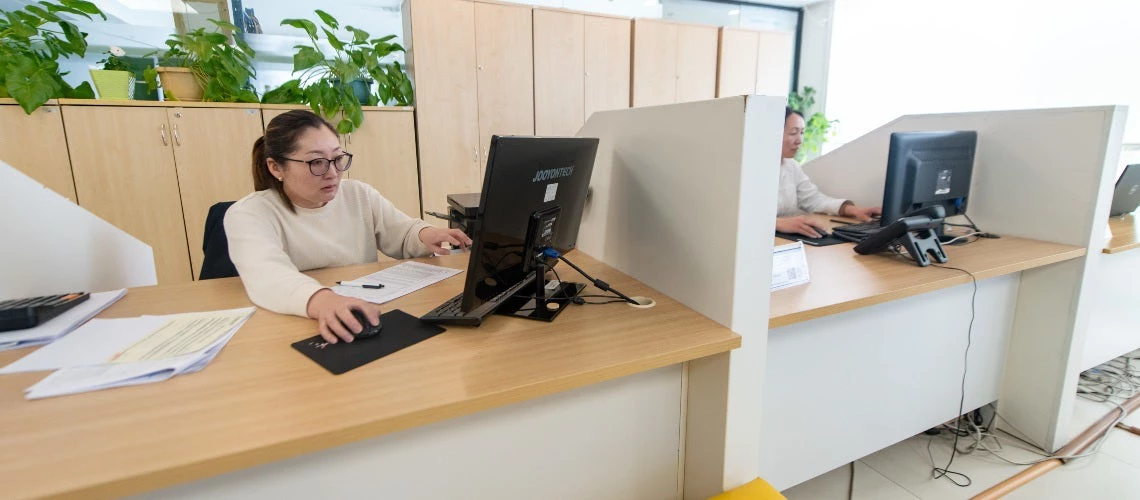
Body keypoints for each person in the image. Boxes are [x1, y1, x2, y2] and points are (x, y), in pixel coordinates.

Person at [225, 110, 472, 344]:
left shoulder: (357, 193)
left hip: (358, 307)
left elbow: (401, 231)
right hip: (290, 323)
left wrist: (424, 234)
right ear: (276, 167)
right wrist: (323, 302)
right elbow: (268, 275)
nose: (332, 173)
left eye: (337, 159)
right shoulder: (249, 214)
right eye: (317, 162)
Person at [776, 107, 881, 238]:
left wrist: (854, 210)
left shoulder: (792, 166)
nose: (799, 140)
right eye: (793, 133)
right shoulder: (747, 168)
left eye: (802, 133)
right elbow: (745, 214)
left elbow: (814, 200)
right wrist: (778, 223)